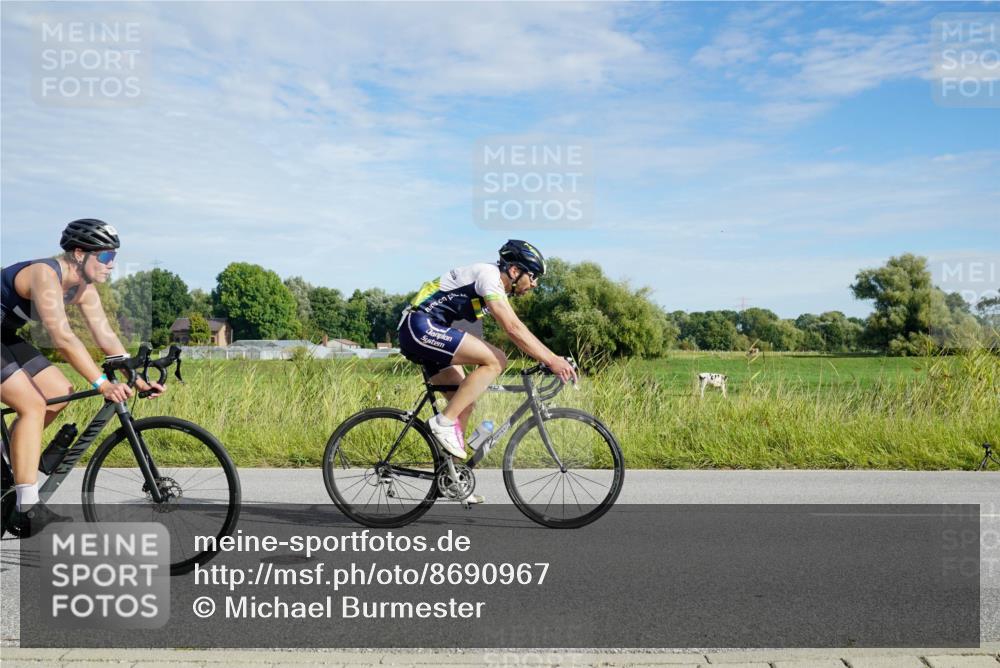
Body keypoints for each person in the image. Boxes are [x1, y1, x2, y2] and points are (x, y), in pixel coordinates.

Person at [0, 219, 164, 536]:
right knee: (32, 405)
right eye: (105, 256)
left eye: (114, 256)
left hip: (5, 335)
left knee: (59, 390)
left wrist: (136, 379)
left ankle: (8, 460)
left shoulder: (84, 290)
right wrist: (102, 384)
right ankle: (27, 506)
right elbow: (63, 338)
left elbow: (107, 338)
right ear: (78, 254)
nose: (111, 264)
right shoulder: (44, 274)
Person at [398, 240, 577, 471]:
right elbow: (513, 328)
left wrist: (548, 357)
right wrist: (552, 360)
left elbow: (471, 332)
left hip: (431, 329)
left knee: (464, 403)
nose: (534, 284)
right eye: (533, 276)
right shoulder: (490, 277)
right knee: (497, 360)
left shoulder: (491, 286)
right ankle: (443, 422)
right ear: (515, 271)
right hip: (419, 325)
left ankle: (451, 476)